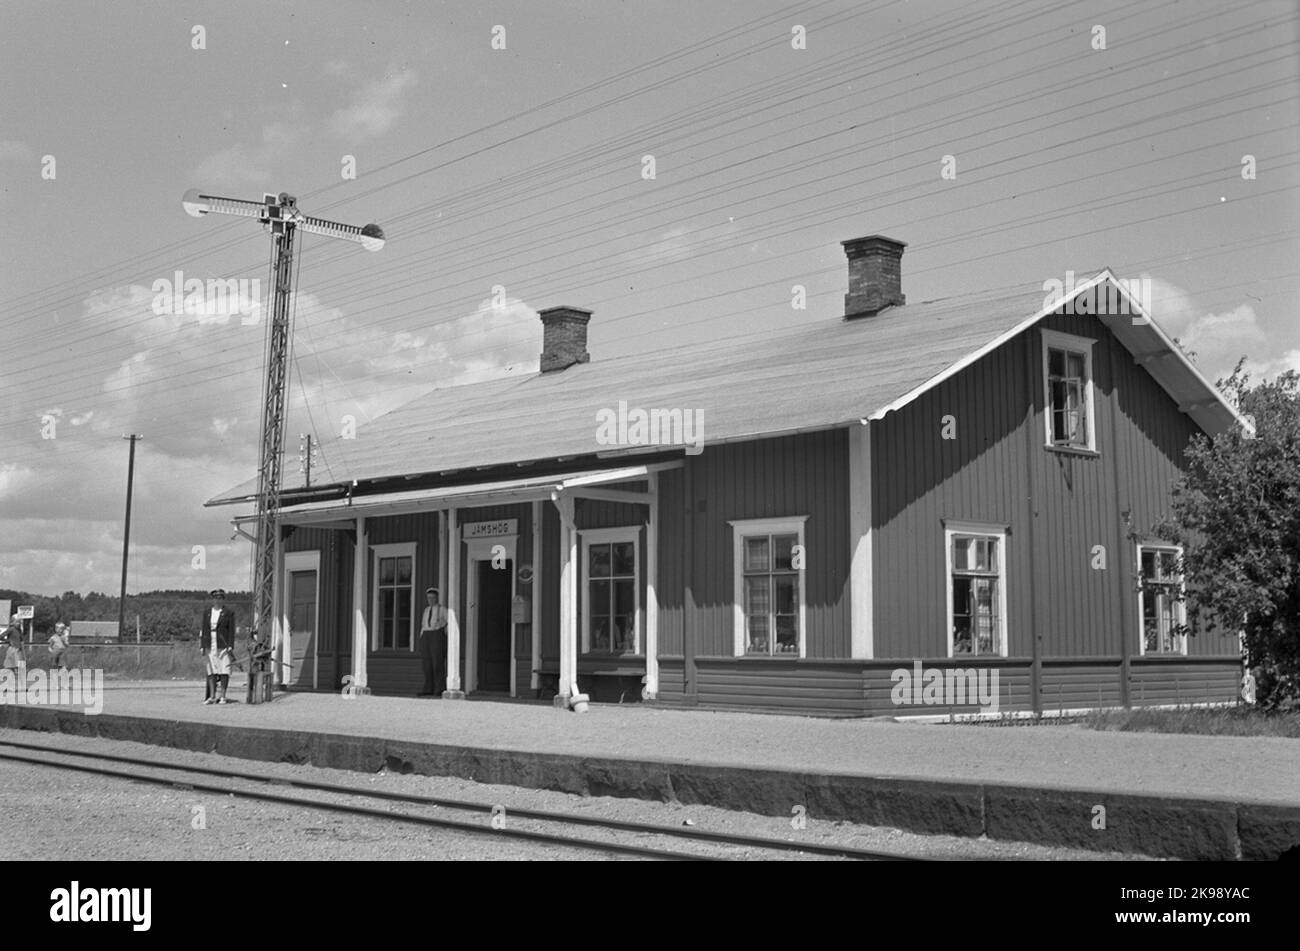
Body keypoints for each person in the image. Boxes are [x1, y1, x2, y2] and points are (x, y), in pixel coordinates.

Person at [200, 589, 236, 704]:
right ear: (213, 599)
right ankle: (212, 696)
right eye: (216, 598)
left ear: (223, 599)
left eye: (220, 598)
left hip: (223, 644)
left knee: (224, 669)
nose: (218, 600)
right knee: (211, 670)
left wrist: (230, 645)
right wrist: (202, 645)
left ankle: (223, 696)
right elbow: (204, 629)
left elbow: (231, 630)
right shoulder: (207, 612)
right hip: (210, 643)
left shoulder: (228, 613)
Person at [417, 587, 448, 697]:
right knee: (427, 664)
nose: (430, 600)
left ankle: (439, 689)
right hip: (426, 635)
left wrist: (444, 633)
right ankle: (428, 688)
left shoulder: (442, 609)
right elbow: (423, 625)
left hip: (437, 635)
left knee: (437, 663)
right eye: (429, 598)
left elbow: (449, 622)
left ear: (437, 598)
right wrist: (422, 638)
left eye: (433, 598)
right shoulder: (426, 610)